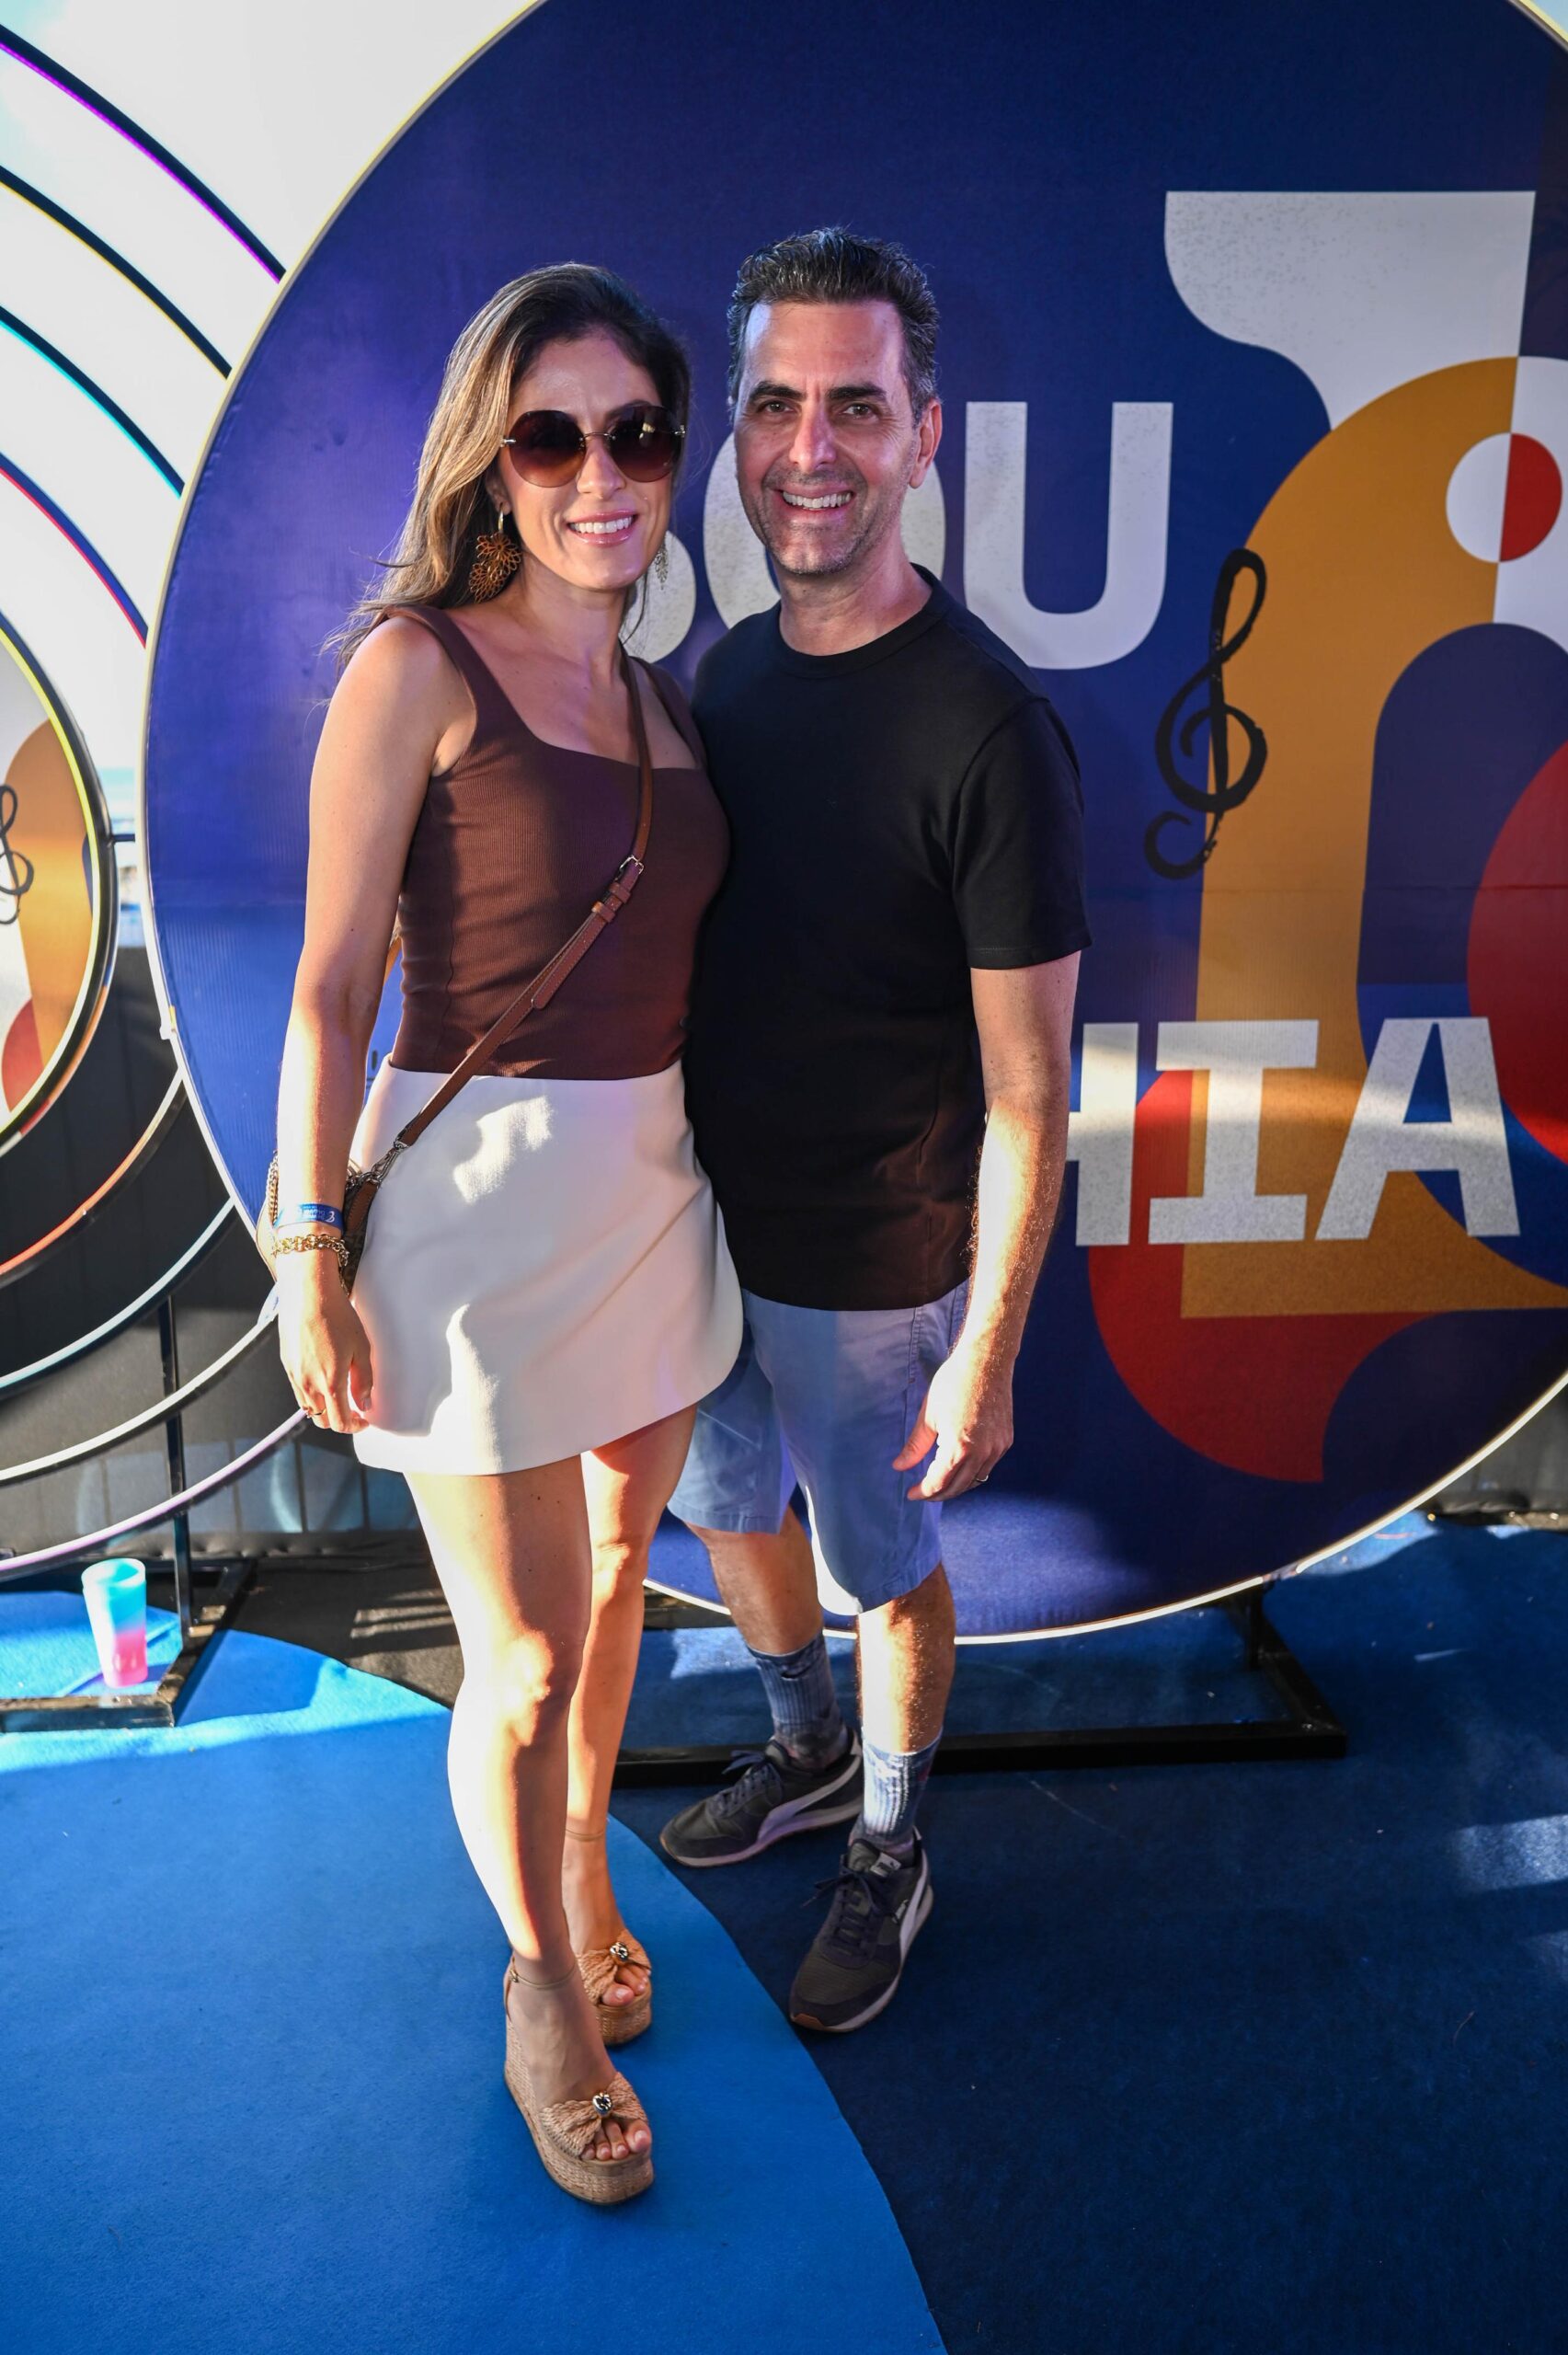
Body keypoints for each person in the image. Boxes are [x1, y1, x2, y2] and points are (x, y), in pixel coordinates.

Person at [272, 265, 741, 2202]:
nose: (598, 474)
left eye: (636, 433)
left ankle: (577, 1877)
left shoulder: (663, 699)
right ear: (492, 458)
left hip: (651, 1195)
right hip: (471, 1225)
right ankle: (539, 1984)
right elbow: (326, 987)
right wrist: (308, 1245)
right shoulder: (415, 667)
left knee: (621, 1591)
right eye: (552, 436)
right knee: (528, 1658)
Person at [662, 228, 1088, 2033]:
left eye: (854, 404)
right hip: (692, 1232)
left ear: (922, 432)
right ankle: (802, 1746)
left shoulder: (987, 728)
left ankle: (892, 1847)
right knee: (725, 1510)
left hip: (873, 1258)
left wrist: (984, 1350)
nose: (808, 446)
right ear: (735, 433)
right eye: (774, 404)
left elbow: (1031, 1089)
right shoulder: (725, 676)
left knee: (886, 1573)